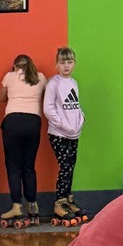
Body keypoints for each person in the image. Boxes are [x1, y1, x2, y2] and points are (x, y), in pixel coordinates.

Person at [0, 54, 46, 224]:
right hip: (33, 122)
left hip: (13, 121)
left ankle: (16, 207)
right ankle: (33, 206)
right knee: (29, 166)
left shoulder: (9, 77)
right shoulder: (40, 77)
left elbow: (1, 98)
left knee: (13, 166)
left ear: (15, 66)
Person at [43, 47, 87, 222]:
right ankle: (59, 203)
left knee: (71, 166)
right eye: (63, 62)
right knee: (65, 166)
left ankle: (68, 199)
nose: (66, 65)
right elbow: (48, 109)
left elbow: (75, 105)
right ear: (57, 65)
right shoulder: (53, 84)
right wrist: (63, 125)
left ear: (74, 64)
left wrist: (81, 119)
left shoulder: (73, 83)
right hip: (59, 134)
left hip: (74, 133)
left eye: (69, 62)